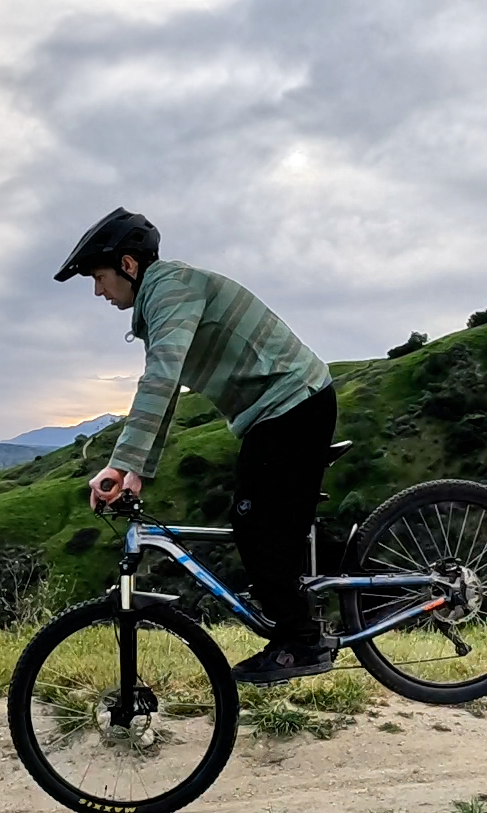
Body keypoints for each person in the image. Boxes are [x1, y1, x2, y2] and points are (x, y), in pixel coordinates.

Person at [55, 207, 338, 684]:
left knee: (255, 524)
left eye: (99, 277)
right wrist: (135, 469)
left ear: (128, 265)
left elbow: (160, 378)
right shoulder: (162, 301)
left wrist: (120, 461)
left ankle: (302, 641)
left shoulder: (171, 289)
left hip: (291, 405)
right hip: (279, 411)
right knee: (267, 525)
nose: (98, 291)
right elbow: (167, 392)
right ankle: (309, 608)